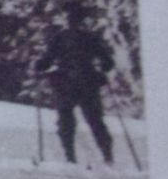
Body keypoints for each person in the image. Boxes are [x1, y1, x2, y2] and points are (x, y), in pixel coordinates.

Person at [35, 16, 116, 165]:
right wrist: (104, 67)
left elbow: (47, 59)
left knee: (68, 120)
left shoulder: (59, 37)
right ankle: (106, 154)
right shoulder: (90, 37)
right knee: (94, 120)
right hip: (87, 83)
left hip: (67, 83)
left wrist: (40, 65)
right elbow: (108, 62)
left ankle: (71, 155)